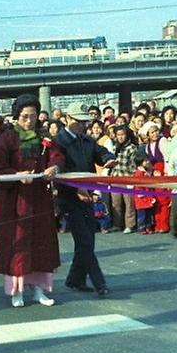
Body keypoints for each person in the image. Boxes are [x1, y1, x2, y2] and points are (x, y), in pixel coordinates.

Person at [0, 94, 64, 308]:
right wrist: (16, 174)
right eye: (24, 117)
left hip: (40, 199)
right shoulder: (6, 139)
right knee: (18, 244)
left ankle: (39, 290)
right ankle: (17, 291)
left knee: (42, 244)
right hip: (16, 200)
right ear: (16, 117)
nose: (28, 121)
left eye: (32, 116)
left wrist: (55, 167)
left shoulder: (44, 137)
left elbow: (57, 156)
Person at [54, 102, 116, 296]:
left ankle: (75, 279)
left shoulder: (87, 140)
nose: (82, 125)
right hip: (69, 197)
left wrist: (109, 158)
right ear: (67, 119)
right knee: (85, 240)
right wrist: (76, 189)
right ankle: (100, 284)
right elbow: (59, 170)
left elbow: (101, 153)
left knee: (88, 240)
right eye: (78, 122)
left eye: (84, 122)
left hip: (87, 195)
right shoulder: (58, 142)